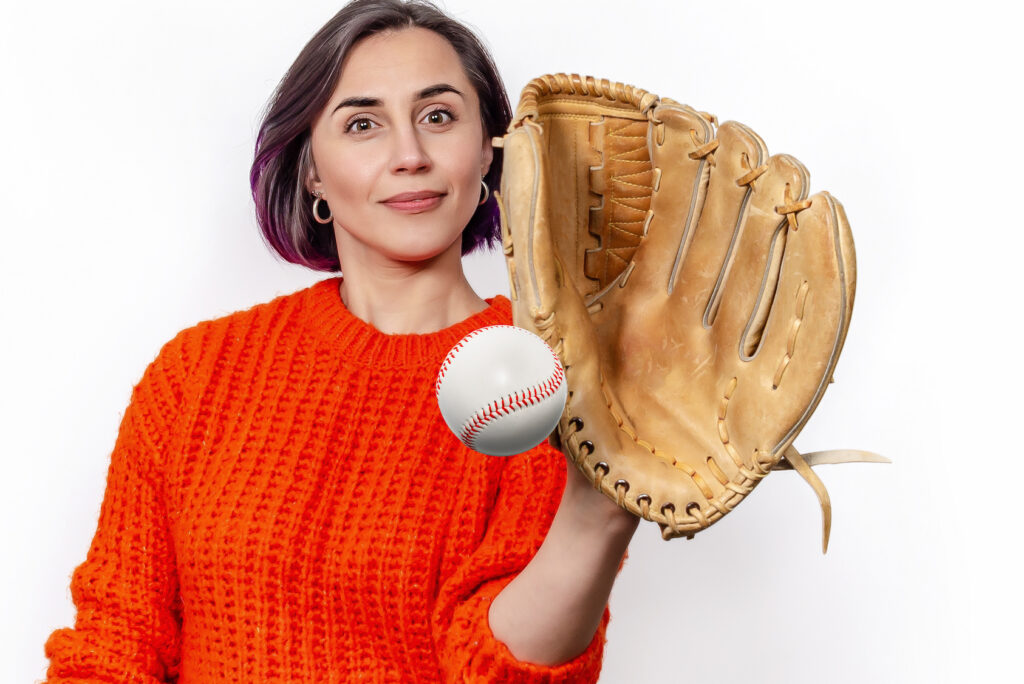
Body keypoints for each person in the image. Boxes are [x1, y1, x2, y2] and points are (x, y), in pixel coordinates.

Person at [42, 1, 638, 681]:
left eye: (438, 116)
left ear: (488, 152)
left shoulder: (544, 386)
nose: (409, 155)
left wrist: (597, 519)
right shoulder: (198, 374)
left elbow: (496, 671)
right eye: (363, 124)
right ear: (313, 171)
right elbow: (114, 646)